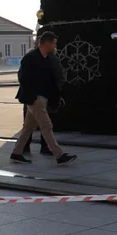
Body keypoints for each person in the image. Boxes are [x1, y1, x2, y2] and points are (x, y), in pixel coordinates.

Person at [12, 31, 76, 165]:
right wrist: (33, 97)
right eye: (53, 43)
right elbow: (24, 79)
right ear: (46, 43)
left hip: (42, 98)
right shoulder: (30, 58)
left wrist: (57, 97)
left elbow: (52, 81)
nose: (55, 46)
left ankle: (16, 153)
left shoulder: (49, 59)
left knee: (28, 128)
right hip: (35, 99)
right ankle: (59, 155)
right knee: (46, 126)